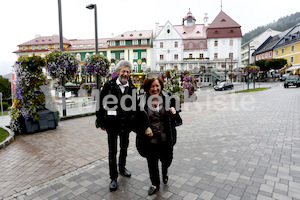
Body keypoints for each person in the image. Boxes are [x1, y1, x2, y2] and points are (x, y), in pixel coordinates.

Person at [135, 76, 182, 195]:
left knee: (167, 159)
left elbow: (178, 120)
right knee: (152, 162)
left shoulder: (168, 98)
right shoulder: (141, 101)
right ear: (147, 88)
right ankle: (155, 183)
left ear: (161, 86)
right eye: (152, 86)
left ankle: (165, 170)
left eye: (157, 86)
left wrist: (174, 113)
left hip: (166, 137)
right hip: (150, 139)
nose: (155, 89)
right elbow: (134, 120)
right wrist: (145, 127)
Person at [95, 60, 137, 191]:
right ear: (118, 72)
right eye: (123, 71)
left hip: (126, 124)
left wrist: (134, 122)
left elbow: (135, 107)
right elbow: (99, 104)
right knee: (112, 151)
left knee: (124, 148)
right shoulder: (109, 85)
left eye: (128, 72)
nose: (125, 74)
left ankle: (122, 168)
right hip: (112, 124)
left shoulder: (132, 87)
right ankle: (113, 177)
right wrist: (100, 121)